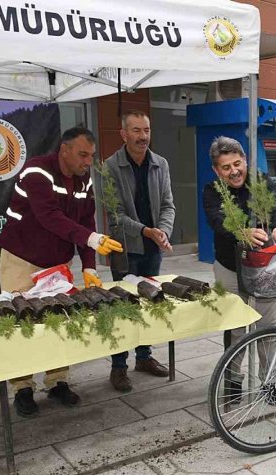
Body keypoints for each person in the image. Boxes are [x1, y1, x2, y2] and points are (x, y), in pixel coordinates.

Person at [0, 126, 123, 417]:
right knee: (21, 324)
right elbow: (49, 217)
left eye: (91, 156)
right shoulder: (36, 172)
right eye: (82, 155)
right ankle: (22, 388)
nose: (87, 162)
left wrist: (89, 265)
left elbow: (87, 221)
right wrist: (92, 239)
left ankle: (57, 382)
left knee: (60, 321)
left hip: (57, 264)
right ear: (64, 150)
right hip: (21, 260)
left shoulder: (83, 180)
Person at [93, 110, 176, 391]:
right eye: (136, 130)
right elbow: (115, 215)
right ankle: (118, 366)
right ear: (124, 134)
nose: (143, 136)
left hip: (153, 249)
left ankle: (144, 357)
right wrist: (145, 231)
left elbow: (168, 205)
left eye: (147, 130)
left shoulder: (160, 164)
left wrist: (162, 231)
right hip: (125, 250)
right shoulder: (110, 167)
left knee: (149, 303)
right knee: (123, 307)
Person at [201, 136, 276, 397]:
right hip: (229, 267)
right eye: (226, 167)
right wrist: (241, 232)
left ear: (245, 160)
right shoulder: (212, 191)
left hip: (263, 267)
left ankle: (269, 382)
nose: (234, 171)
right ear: (216, 170)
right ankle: (233, 379)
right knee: (235, 327)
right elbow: (217, 219)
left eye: (237, 164)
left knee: (268, 326)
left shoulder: (261, 181)